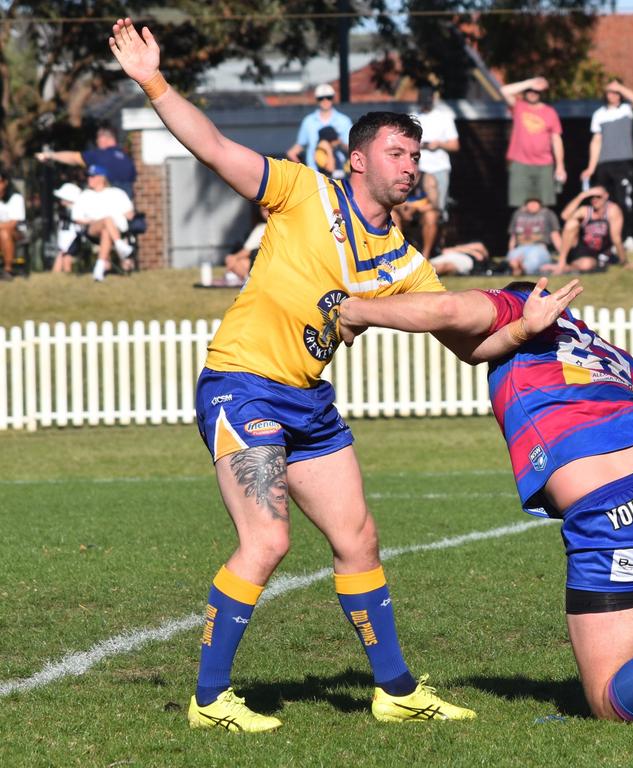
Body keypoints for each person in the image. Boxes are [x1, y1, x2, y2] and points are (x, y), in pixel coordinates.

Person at [108, 17, 473, 731]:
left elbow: (456, 326)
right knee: (267, 541)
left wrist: (521, 327)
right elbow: (212, 147)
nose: (411, 165)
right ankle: (210, 701)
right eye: (397, 152)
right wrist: (153, 81)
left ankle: (395, 690)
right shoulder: (304, 190)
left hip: (309, 400)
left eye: (416, 154)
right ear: (359, 161)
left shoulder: (405, 261)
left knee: (358, 539)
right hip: (242, 382)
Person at [334, 278, 633, 726]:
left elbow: (444, 308)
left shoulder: (514, 309)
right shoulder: (606, 351)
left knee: (608, 697)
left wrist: (356, 310)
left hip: (610, 512)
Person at [581, 79, 633, 250]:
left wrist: (620, 87)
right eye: (610, 91)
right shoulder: (599, 114)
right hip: (604, 164)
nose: (613, 95)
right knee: (607, 203)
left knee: (625, 201)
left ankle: (628, 237)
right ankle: (611, 240)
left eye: (616, 92)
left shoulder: (626, 110)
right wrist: (591, 167)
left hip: (623, 163)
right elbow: (596, 141)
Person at [501, 76, 566, 208]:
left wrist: (560, 165)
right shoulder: (519, 107)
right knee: (520, 205)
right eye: (530, 90)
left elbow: (556, 139)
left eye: (536, 91)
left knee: (544, 205)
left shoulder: (550, 112)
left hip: (544, 165)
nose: (532, 93)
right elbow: (504, 91)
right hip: (520, 163)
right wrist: (530, 82)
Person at [71, 164, 135, 281]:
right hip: (92, 230)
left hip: (115, 230)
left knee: (106, 231)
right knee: (106, 219)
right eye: (88, 176)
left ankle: (98, 270)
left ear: (101, 178)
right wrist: (90, 220)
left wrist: (124, 214)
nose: (89, 179)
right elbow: (76, 217)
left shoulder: (117, 193)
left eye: (92, 176)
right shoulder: (85, 195)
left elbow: (130, 214)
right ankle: (120, 245)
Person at [35, 124, 138, 197]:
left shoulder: (100, 155)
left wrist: (51, 155)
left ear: (106, 138)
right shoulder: (127, 159)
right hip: (126, 205)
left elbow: (74, 158)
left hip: (106, 204)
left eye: (98, 137)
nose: (97, 141)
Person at [547, 186, 627, 274]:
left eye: (598, 196)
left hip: (601, 252)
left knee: (586, 265)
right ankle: (561, 263)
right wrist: (581, 196)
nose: (595, 199)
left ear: (606, 196)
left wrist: (624, 262)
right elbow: (565, 216)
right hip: (581, 249)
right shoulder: (586, 210)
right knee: (571, 223)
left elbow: (616, 238)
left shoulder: (612, 210)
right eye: (591, 197)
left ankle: (568, 267)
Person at [410, 87, 459, 217]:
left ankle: (440, 235)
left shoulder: (444, 118)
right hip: (419, 170)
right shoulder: (413, 118)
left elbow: (455, 145)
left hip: (439, 168)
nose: (425, 106)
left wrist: (439, 144)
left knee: (439, 209)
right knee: (417, 209)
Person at [286, 83, 353, 171]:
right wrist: (303, 170)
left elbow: (351, 149)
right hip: (314, 174)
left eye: (328, 97)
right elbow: (296, 149)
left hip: (338, 174)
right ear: (317, 100)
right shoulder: (308, 121)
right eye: (321, 98)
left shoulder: (344, 121)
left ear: (333, 98)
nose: (325, 100)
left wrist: (337, 142)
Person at [506, 196, 562, 275]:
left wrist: (563, 257)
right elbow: (513, 237)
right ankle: (517, 266)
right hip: (520, 247)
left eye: (535, 202)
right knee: (513, 256)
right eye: (530, 202)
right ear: (526, 204)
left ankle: (522, 269)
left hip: (539, 247)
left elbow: (555, 236)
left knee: (534, 258)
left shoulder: (548, 214)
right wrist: (511, 251)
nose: (533, 205)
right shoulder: (518, 214)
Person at [223, 206, 269, 286]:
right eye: (263, 210)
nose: (265, 212)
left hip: (263, 265)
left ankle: (244, 277)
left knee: (236, 262)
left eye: (266, 210)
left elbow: (246, 251)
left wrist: (233, 258)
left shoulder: (262, 228)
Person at [51, 182, 84, 274]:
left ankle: (66, 272)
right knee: (63, 254)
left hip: (72, 237)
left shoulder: (74, 210)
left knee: (66, 255)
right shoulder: (64, 210)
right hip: (65, 237)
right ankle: (58, 273)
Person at [0, 169, 26, 281]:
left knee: (4, 233)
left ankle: (7, 270)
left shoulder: (15, 198)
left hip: (17, 233)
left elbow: (13, 223)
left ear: (5, 182)